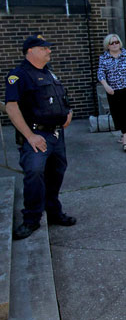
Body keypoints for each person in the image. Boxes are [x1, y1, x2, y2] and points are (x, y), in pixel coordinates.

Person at [5, 35, 76, 240]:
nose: (49, 51)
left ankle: (53, 212)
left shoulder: (50, 74)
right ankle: (31, 219)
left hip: (56, 134)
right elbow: (11, 107)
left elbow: (63, 98)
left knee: (56, 173)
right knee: (35, 173)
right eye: (44, 48)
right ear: (31, 51)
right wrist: (30, 136)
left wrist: (68, 113)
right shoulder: (19, 75)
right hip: (37, 135)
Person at [97, 34, 126, 152]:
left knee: (125, 111)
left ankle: (125, 139)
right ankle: (124, 131)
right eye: (111, 43)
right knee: (115, 113)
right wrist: (106, 86)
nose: (114, 45)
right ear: (107, 45)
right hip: (112, 90)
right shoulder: (104, 57)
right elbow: (101, 73)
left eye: (116, 42)